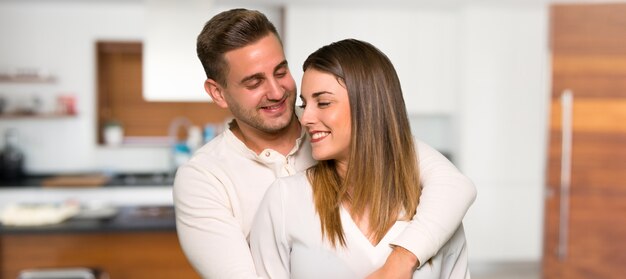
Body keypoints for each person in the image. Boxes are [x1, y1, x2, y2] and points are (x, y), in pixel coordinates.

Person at [174, 8, 476, 279]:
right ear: (218, 93)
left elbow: (453, 185)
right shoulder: (204, 178)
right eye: (254, 82)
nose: (277, 91)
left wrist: (401, 260)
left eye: (281, 71)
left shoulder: (340, 131)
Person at [250, 38, 470, 279]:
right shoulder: (285, 200)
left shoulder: (437, 214)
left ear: (369, 106)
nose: (305, 118)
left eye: (323, 102)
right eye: (305, 104)